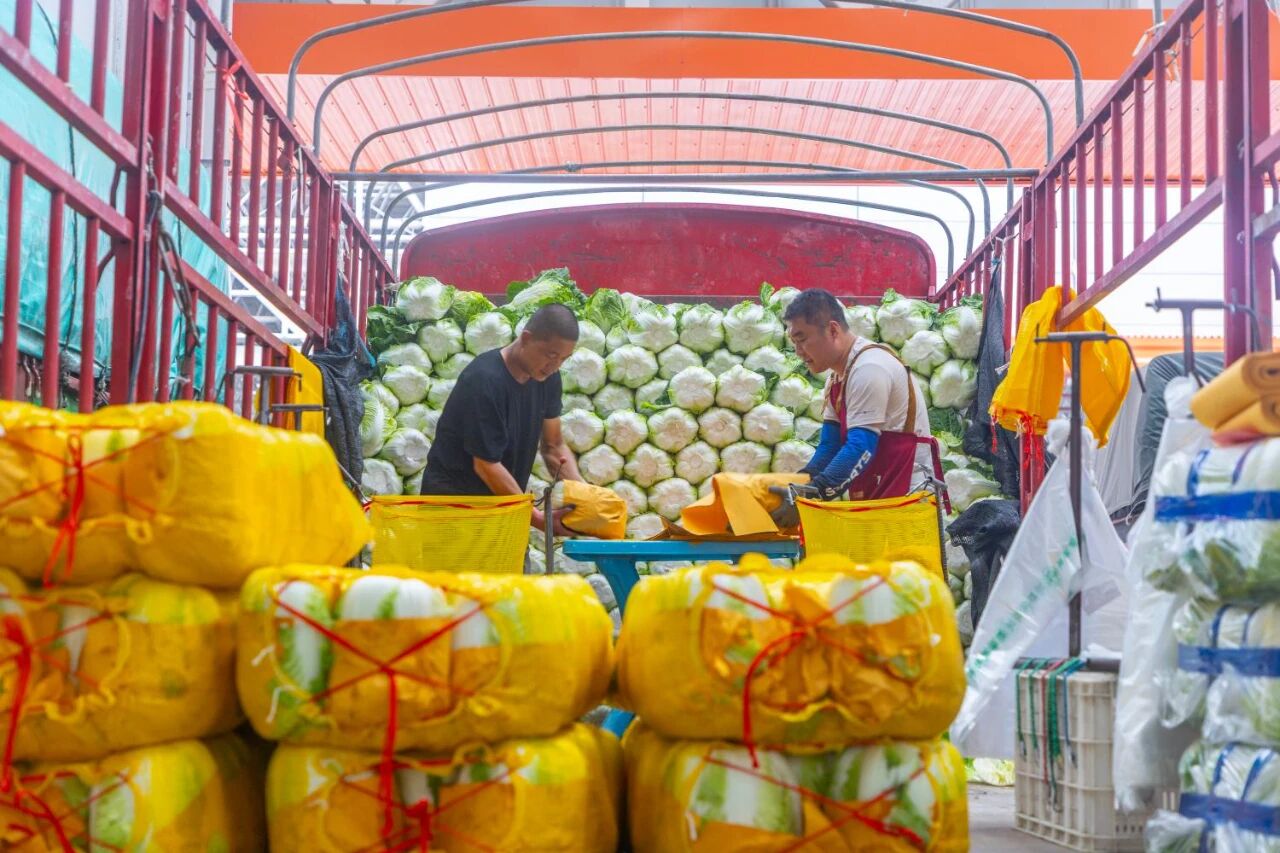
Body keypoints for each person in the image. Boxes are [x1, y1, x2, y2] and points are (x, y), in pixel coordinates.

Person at [770, 288, 941, 528]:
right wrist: (799, 484)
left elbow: (861, 447)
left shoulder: (869, 368)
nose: (798, 351)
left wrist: (814, 495)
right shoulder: (837, 378)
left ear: (833, 330)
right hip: (877, 493)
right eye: (794, 343)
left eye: (802, 339)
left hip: (907, 498)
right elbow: (830, 446)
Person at [420, 303, 583, 536]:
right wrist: (538, 519)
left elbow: (553, 446)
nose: (555, 366)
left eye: (564, 359)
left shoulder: (548, 378)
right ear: (526, 339)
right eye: (551, 355)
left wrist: (583, 494)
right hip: (453, 512)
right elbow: (486, 465)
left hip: (501, 508)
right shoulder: (484, 380)